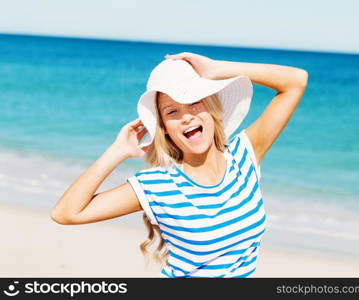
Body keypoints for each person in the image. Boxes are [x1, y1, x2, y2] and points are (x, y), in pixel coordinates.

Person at [50, 52, 308, 278]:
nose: (186, 117)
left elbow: (295, 81)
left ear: (212, 109)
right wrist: (117, 152)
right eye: (172, 111)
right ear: (165, 129)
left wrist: (216, 69)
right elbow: (66, 213)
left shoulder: (244, 156)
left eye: (195, 102)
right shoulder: (158, 186)